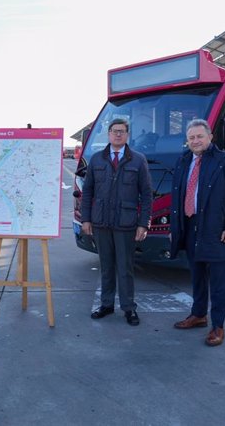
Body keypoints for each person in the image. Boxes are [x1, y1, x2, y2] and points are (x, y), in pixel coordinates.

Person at [170, 119, 225, 346]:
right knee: (197, 277)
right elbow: (178, 196)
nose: (195, 141)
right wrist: (176, 229)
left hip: (217, 230)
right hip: (190, 226)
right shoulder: (184, 161)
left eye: (199, 136)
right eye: (191, 137)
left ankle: (218, 326)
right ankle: (198, 315)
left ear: (210, 137)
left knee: (220, 281)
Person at [81, 118, 152, 326]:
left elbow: (146, 195)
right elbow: (88, 192)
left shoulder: (138, 160)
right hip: (101, 223)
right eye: (114, 131)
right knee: (106, 266)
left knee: (125, 267)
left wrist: (143, 223)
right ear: (109, 134)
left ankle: (129, 308)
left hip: (126, 224)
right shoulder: (96, 160)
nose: (118, 135)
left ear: (127, 135)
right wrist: (86, 219)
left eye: (122, 131)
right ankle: (107, 304)